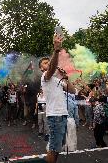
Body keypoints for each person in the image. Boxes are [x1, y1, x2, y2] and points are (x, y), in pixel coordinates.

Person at [39, 34, 76, 163]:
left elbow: (72, 90)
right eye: (44, 63)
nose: (47, 63)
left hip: (62, 115)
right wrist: (56, 50)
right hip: (55, 115)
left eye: (48, 61)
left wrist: (66, 77)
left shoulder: (57, 79)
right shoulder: (45, 77)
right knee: (54, 148)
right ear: (41, 68)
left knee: (57, 147)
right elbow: (51, 68)